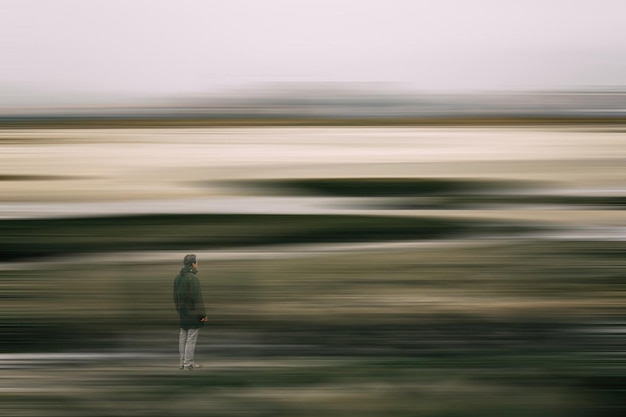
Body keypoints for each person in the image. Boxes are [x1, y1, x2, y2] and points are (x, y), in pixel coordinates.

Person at [173, 254, 207, 370]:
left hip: (183, 313)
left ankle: (183, 362)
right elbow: (197, 298)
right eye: (197, 263)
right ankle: (188, 364)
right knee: (191, 339)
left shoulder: (178, 278)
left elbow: (175, 298)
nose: (197, 265)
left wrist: (180, 311)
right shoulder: (193, 278)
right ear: (193, 264)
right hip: (193, 314)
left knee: (183, 337)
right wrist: (203, 315)